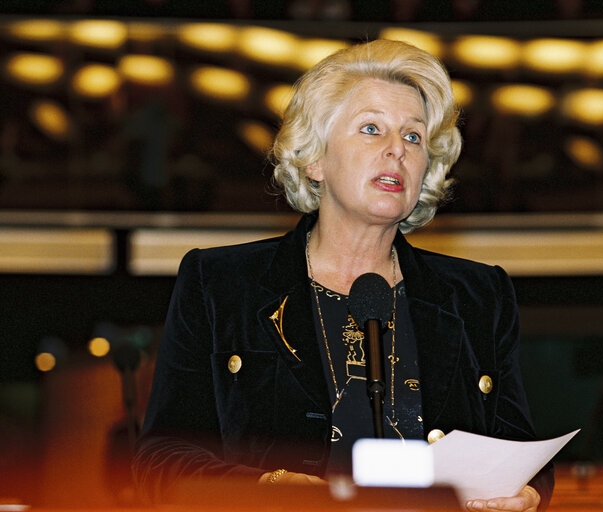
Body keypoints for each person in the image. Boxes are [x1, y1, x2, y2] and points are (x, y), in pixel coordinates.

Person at [133, 39, 554, 511]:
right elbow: (161, 462)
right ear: (314, 158)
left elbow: (521, 450)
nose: (397, 150)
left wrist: (529, 494)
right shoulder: (221, 284)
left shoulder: (479, 294)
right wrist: (268, 489)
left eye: (413, 137)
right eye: (371, 129)